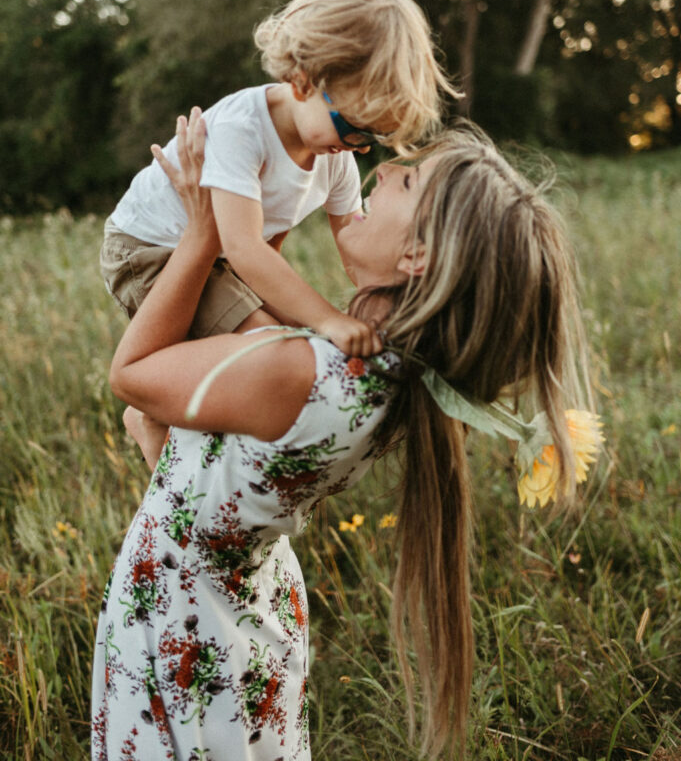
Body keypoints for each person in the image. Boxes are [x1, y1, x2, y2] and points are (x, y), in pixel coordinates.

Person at [92, 111, 595, 760]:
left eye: (407, 183)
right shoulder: (381, 377)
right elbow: (226, 479)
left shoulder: (300, 372)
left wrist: (199, 235)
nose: (382, 168)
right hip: (233, 609)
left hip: (185, 632)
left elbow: (131, 376)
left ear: (417, 255)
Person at [100, 0, 457, 358]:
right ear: (304, 80)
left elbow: (355, 247)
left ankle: (169, 411)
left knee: (297, 340)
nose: (360, 148)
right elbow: (245, 249)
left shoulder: (335, 156)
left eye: (373, 136)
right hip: (149, 249)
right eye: (354, 128)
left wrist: (397, 311)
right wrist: (330, 319)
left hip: (218, 260)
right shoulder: (243, 130)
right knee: (268, 346)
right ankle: (153, 415)